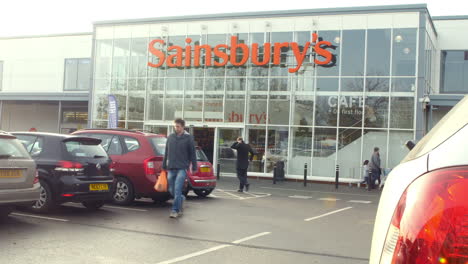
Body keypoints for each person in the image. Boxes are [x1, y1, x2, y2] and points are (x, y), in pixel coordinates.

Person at [162, 118, 197, 219]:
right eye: (175, 126)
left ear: (183, 127)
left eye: (178, 126)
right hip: (171, 167)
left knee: (177, 189)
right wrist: (164, 164)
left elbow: (192, 153)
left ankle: (175, 210)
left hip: (182, 167)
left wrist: (194, 166)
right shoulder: (171, 137)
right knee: (171, 190)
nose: (176, 128)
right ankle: (181, 199)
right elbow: (166, 152)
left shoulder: (188, 138)